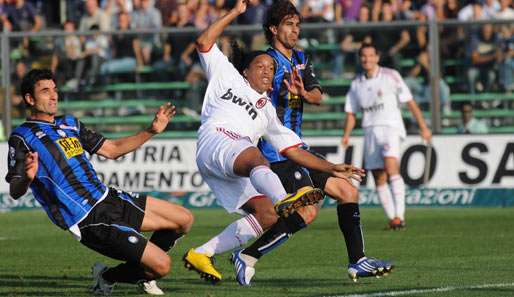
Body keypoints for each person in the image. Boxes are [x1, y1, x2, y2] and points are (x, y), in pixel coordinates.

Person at [182, 0, 365, 286]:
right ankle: (283, 199)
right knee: (259, 161)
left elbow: (293, 149)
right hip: (217, 143)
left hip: (236, 159)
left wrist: (332, 168)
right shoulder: (226, 75)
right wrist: (234, 13)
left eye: (270, 68)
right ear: (245, 71)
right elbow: (203, 41)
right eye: (261, 66)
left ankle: (203, 253)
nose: (268, 71)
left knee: (266, 216)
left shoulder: (268, 112)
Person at [5, 69, 193, 296]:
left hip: (108, 197)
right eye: (45, 91)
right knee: (162, 266)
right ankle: (108, 277)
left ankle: (143, 271)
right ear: (29, 99)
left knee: (184, 220)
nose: (54, 96)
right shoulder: (22, 136)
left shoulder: (70, 123)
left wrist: (151, 131)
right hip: (88, 217)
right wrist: (27, 176)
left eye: (55, 90)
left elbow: (112, 150)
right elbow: (15, 190)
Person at [251, 0, 392, 284]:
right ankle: (247, 257)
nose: (295, 30)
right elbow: (255, 97)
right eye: (289, 25)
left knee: (347, 191)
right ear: (273, 28)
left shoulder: (300, 59)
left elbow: (318, 96)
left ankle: (358, 261)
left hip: (297, 148)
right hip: (275, 152)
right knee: (308, 209)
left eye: (297, 25)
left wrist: (303, 93)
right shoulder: (265, 62)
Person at [342, 42, 432, 230]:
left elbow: (410, 102)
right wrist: (346, 135)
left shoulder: (391, 76)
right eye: (363, 56)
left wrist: (424, 127)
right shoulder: (356, 83)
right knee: (378, 176)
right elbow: (351, 113)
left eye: (370, 55)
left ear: (377, 57)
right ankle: (393, 219)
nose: (367, 59)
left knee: (391, 168)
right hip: (370, 130)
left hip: (390, 127)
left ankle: (400, 215)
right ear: (360, 59)